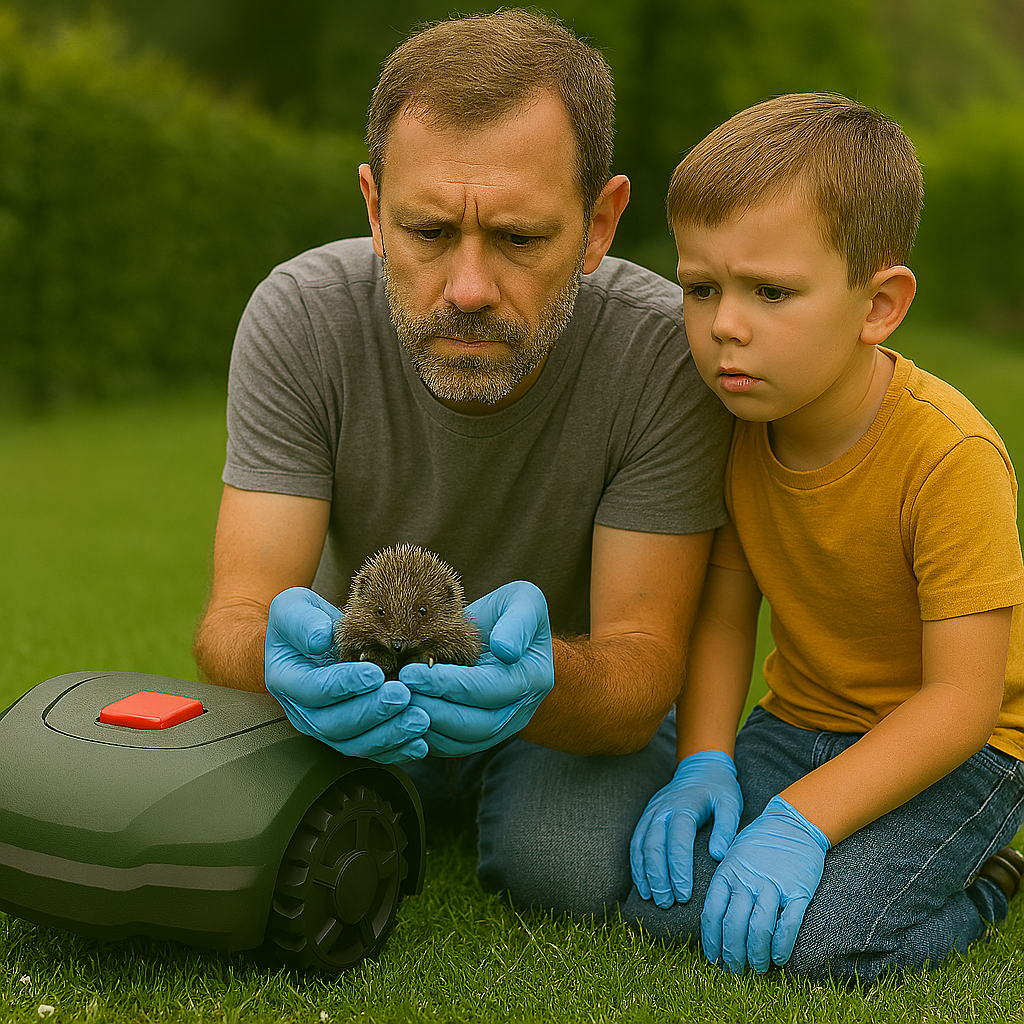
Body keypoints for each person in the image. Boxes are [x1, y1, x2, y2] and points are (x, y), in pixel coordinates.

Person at [191, 9, 733, 919]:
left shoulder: (663, 354)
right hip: (355, 676)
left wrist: (540, 680)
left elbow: (642, 672)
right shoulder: (300, 317)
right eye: (429, 232)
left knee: (558, 866)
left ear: (601, 223)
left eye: (521, 239)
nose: (470, 288)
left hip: (557, 710)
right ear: (373, 208)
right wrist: (287, 663)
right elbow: (235, 619)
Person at [624, 93, 1024, 982]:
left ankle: (990, 881)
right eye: (701, 288)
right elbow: (725, 618)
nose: (725, 323)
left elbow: (963, 703)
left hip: (964, 752)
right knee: (666, 904)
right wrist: (702, 762)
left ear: (879, 305)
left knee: (815, 945)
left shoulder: (949, 456)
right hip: (801, 720)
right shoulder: (734, 428)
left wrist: (803, 822)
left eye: (771, 292)